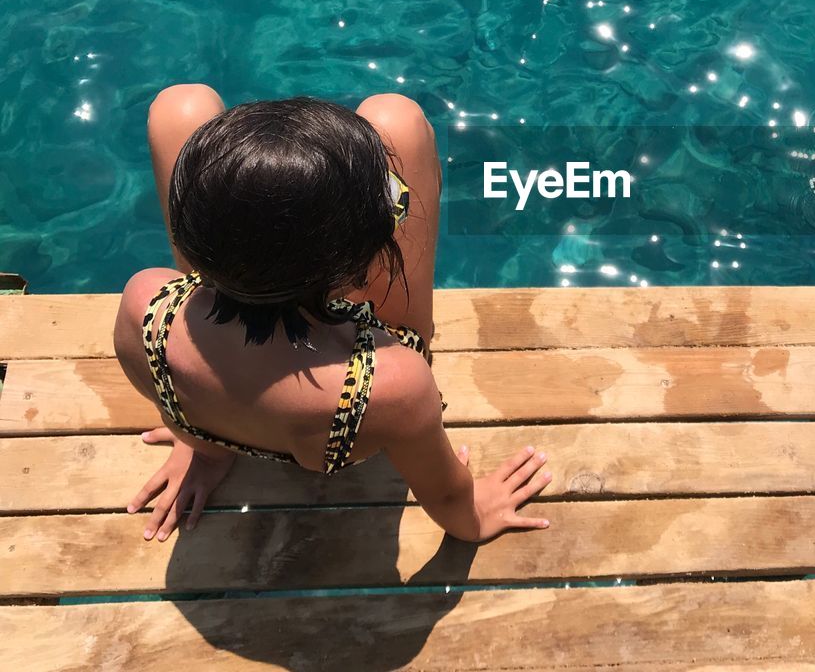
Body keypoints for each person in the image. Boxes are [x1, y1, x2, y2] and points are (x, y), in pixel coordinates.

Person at [112, 85, 552, 543]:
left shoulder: (146, 302)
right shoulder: (392, 385)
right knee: (396, 119)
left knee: (178, 108)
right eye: (392, 204)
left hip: (213, 408)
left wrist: (202, 446)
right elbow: (445, 498)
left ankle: (211, 444)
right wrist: (474, 516)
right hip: (336, 424)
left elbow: (163, 395)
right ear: (358, 273)